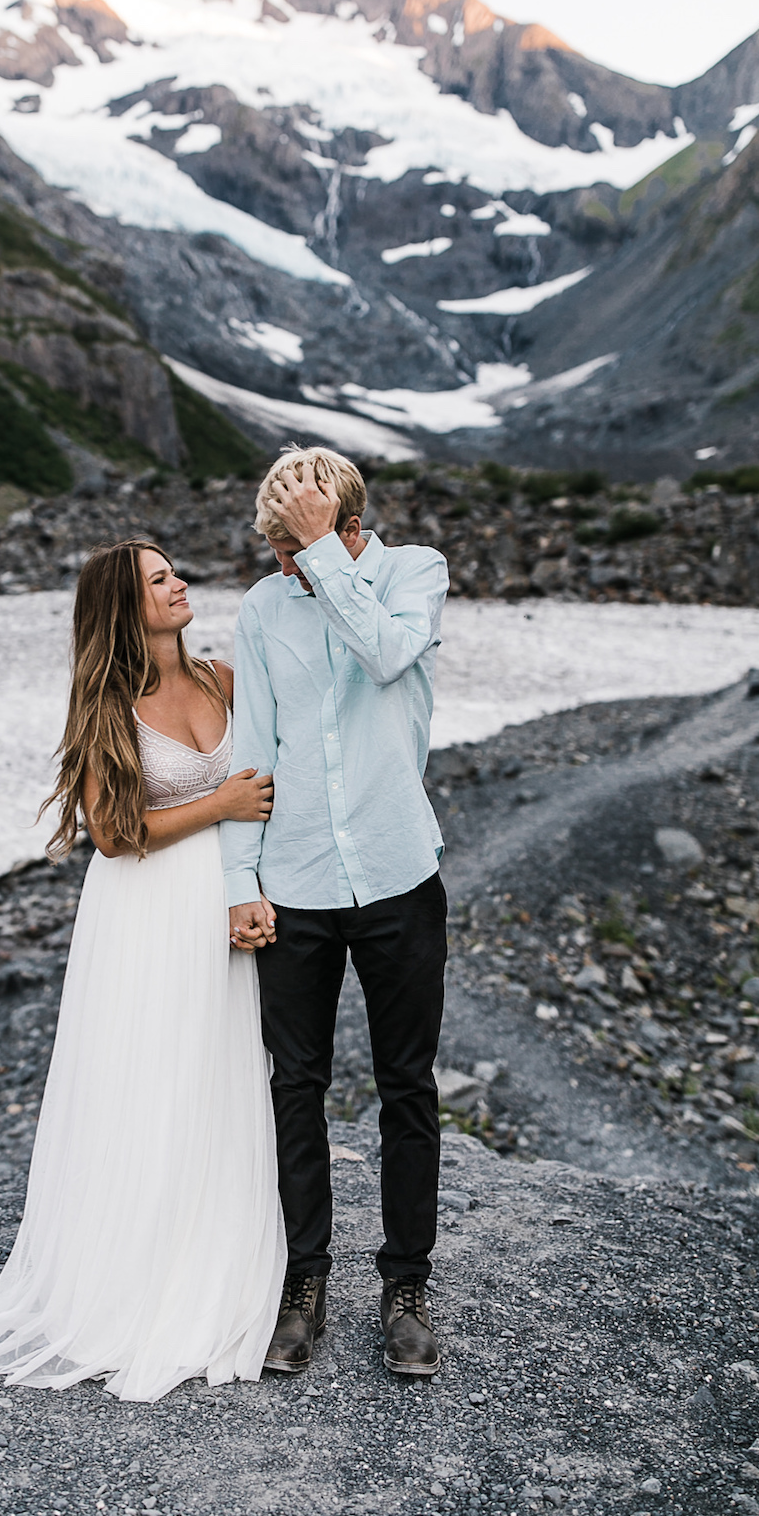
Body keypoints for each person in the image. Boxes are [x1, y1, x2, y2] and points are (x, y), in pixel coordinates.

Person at [0, 540, 284, 1402]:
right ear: (124, 608)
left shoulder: (221, 677)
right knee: (149, 1079)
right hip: (144, 910)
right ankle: (131, 1278)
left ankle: (213, 1253)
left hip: (223, 902)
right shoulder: (107, 700)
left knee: (218, 1075)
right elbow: (111, 828)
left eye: (175, 572)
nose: (179, 585)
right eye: (158, 580)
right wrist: (221, 802)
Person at [223, 446, 453, 1381]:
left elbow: (389, 654)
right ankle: (303, 1283)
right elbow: (252, 746)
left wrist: (326, 559)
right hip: (299, 882)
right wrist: (243, 880)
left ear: (347, 526)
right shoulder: (259, 607)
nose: (284, 564)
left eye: (295, 544)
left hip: (399, 872)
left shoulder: (413, 573)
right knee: (294, 1087)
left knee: (408, 1085)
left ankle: (406, 1285)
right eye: (277, 547)